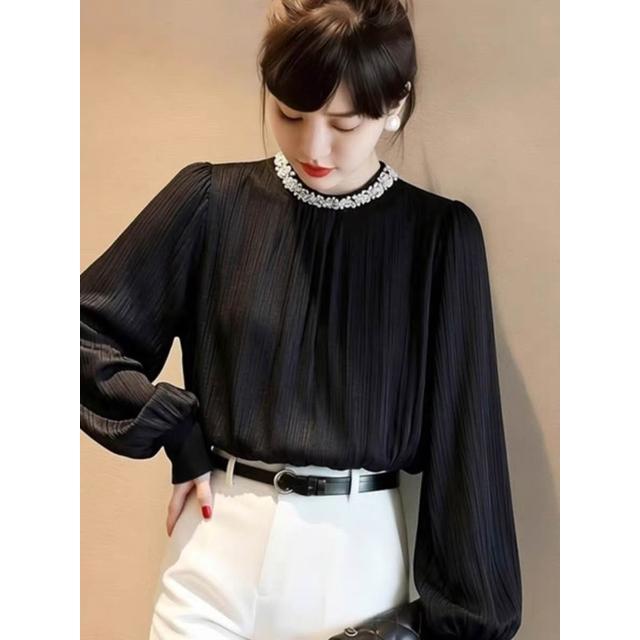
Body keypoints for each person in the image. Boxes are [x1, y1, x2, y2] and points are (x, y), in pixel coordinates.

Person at [80, 1, 523, 639]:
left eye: (344, 123)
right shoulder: (211, 203)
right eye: (290, 114)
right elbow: (83, 332)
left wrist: (463, 619)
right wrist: (176, 431)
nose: (314, 147)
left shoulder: (438, 240)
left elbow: (467, 445)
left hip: (352, 567)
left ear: (394, 104)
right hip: (213, 547)